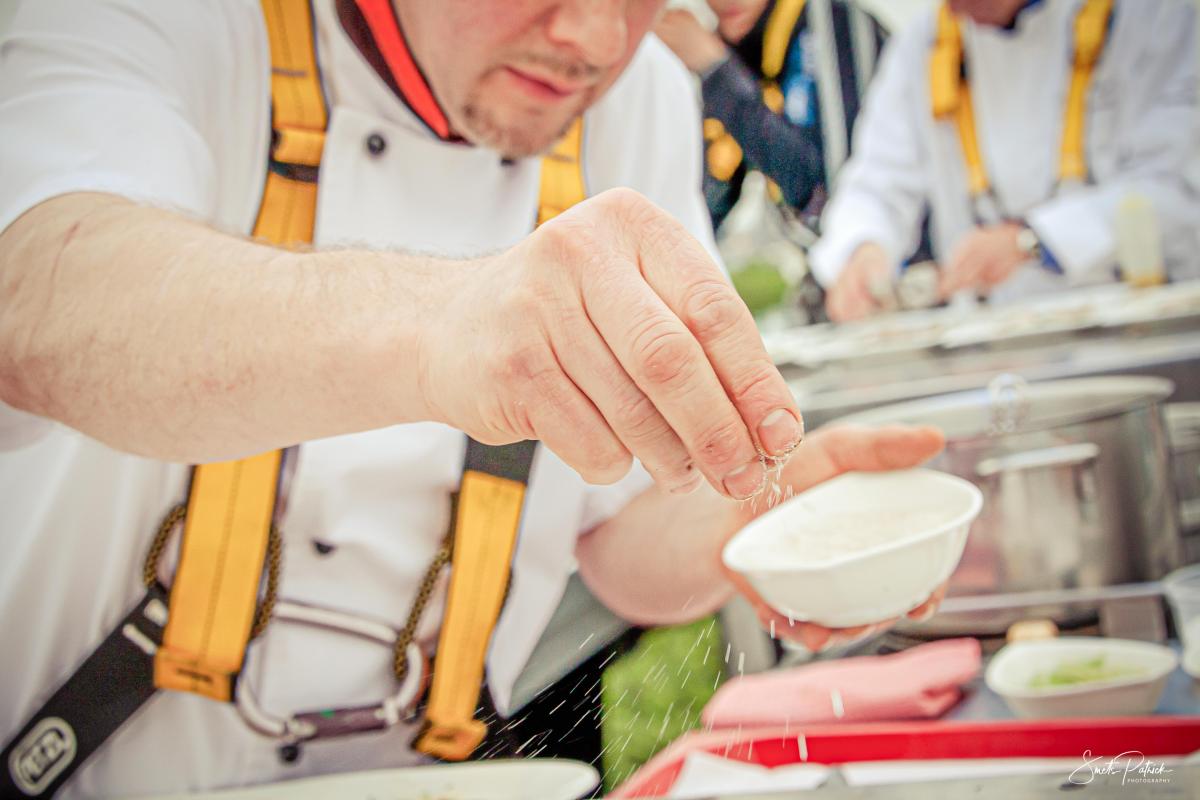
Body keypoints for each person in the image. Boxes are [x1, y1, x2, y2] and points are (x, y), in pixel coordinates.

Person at [0, 1, 943, 795]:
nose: (594, 39)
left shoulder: (641, 95)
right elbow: (35, 294)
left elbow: (618, 535)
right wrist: (442, 321)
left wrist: (753, 527)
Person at [813, 0, 1200, 322]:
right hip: (991, 340)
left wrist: (1034, 240)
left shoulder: (1156, 18)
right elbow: (877, 181)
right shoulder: (925, 43)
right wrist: (863, 251)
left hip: (1140, 323)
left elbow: (1178, 190)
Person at [655, 0, 885, 231]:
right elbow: (709, 206)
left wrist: (717, 70)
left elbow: (827, 194)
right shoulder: (739, 42)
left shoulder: (830, 22)